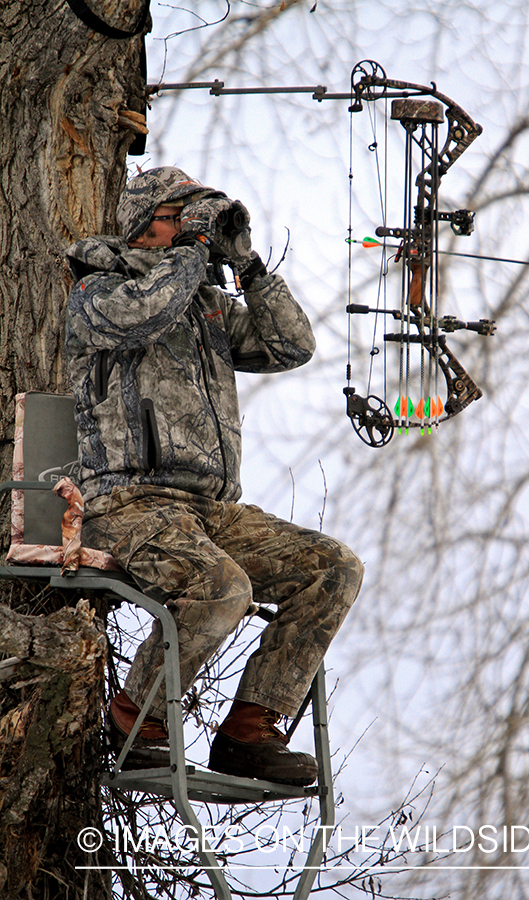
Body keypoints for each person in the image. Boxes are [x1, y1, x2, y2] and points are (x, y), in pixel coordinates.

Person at [65, 167, 364, 786]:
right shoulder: (98, 289)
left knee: (334, 568)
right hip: (126, 501)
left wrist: (247, 266)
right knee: (222, 586)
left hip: (212, 508)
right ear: (146, 226)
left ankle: (250, 730)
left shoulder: (206, 308)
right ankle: (137, 720)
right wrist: (191, 258)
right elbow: (142, 317)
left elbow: (291, 346)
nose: (196, 227)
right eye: (182, 214)